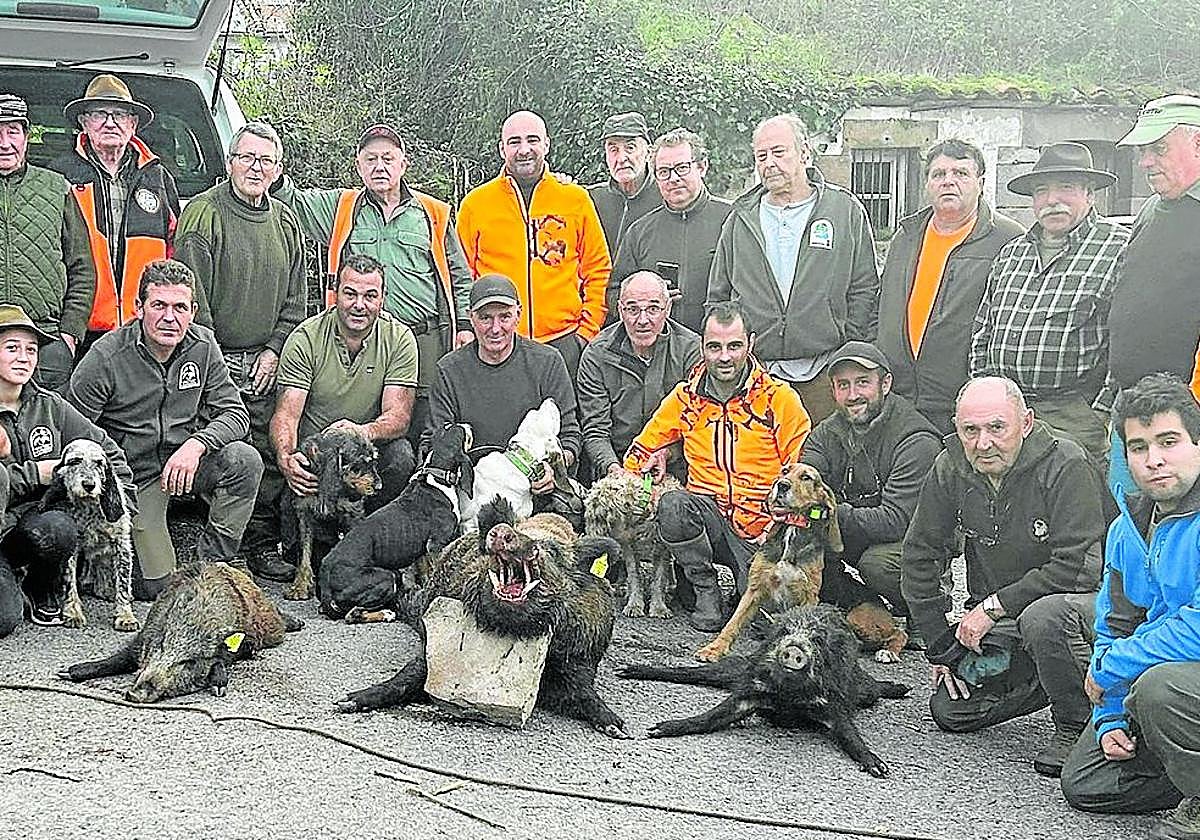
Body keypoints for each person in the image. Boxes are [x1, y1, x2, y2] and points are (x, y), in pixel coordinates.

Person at [901, 376, 1107, 778]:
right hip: (1010, 617)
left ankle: (1077, 723)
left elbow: (1076, 569)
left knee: (1044, 619)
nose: (983, 443)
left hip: (1085, 606)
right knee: (952, 710)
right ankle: (1051, 674)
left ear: (1025, 422)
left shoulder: (1067, 462)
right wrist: (943, 647)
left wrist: (992, 608)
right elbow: (920, 553)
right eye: (970, 430)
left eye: (997, 427)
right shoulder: (951, 466)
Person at [68, 260, 262, 600]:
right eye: (159, 305)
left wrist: (197, 444)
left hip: (186, 464)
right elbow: (75, 432)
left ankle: (212, 565)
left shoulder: (203, 346)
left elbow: (235, 413)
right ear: (139, 307)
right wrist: (115, 485)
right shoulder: (105, 358)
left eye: (180, 308)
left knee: (244, 460)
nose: (170, 317)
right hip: (135, 477)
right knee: (155, 587)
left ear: (193, 312)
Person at [274, 122, 473, 452]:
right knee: (372, 428)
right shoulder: (342, 207)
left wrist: (464, 325)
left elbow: (459, 275)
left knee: (424, 426)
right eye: (371, 159)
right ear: (359, 166)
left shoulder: (433, 212)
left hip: (423, 338)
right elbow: (291, 201)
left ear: (403, 164)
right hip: (364, 339)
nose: (379, 167)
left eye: (388, 158)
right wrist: (268, 165)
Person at [1061, 373, 1200, 839]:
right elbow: (1116, 623)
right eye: (1139, 447)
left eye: (1168, 442)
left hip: (1179, 677)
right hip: (1172, 673)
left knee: (1160, 689)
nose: (1153, 459)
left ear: (1197, 443)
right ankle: (1183, 774)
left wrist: (1111, 668)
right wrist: (1110, 715)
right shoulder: (1127, 527)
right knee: (1085, 782)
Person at [173, 120, 307, 582]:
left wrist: (275, 349)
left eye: (266, 160)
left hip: (268, 357)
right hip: (212, 353)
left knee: (270, 448)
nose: (255, 167)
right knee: (228, 449)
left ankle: (261, 543)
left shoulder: (286, 221)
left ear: (278, 169)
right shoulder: (203, 215)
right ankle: (212, 548)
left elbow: (297, 297)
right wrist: (214, 359)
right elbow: (190, 299)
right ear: (230, 162)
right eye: (246, 157)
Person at [624, 302, 811, 631]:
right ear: (702, 346)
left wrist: (778, 528)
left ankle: (742, 586)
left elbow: (803, 471)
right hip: (707, 520)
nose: (724, 357)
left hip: (763, 528)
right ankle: (704, 589)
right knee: (673, 504)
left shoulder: (778, 398)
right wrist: (663, 452)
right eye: (714, 347)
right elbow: (637, 453)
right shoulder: (685, 399)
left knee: (763, 622)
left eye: (734, 346)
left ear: (750, 343)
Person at [706, 113, 879, 423]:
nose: (769, 163)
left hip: (825, 375)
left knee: (821, 453)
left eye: (778, 152)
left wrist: (847, 345)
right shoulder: (740, 219)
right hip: (758, 376)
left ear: (805, 154)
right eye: (761, 156)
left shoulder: (843, 210)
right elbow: (719, 295)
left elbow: (865, 287)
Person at [970, 142, 1128, 467]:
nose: (1052, 200)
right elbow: (983, 331)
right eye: (1041, 190)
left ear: (1089, 193)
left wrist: (1099, 411)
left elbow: (1127, 342)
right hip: (1007, 412)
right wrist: (984, 392)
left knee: (1073, 495)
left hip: (1073, 414)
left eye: (1066, 187)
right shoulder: (1012, 253)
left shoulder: (1119, 248)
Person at [271, 253, 419, 575]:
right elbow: (286, 414)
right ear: (334, 293)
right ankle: (311, 544)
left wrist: (361, 432)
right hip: (317, 461)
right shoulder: (306, 337)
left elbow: (399, 416)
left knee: (401, 455)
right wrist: (287, 458)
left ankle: (378, 543)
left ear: (383, 298)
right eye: (350, 293)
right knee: (305, 556)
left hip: (365, 457)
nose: (359, 305)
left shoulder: (399, 339)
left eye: (370, 295)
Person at [0, 304, 134, 634]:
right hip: (1, 525)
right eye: (12, 348)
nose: (23, 358)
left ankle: (42, 585)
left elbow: (108, 451)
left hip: (39, 523)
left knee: (59, 527)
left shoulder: (51, 405)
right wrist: (36, 474)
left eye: (31, 350)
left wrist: (119, 506)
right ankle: (13, 583)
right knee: (4, 620)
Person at [876, 138, 1025, 435]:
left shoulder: (1008, 240)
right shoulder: (906, 236)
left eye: (960, 173)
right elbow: (882, 306)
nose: (948, 181)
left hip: (965, 405)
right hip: (900, 398)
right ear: (927, 184)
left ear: (981, 183)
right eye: (939, 174)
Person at [799, 340, 941, 641]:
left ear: (885, 383)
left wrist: (827, 512)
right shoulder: (826, 432)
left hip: (911, 538)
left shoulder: (916, 440)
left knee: (877, 565)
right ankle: (861, 603)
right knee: (804, 542)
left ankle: (924, 607)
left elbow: (895, 520)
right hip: (855, 526)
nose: (853, 395)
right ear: (833, 390)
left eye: (863, 382)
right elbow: (806, 480)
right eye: (843, 385)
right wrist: (800, 501)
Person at [1097, 95, 1200, 497]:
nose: (1145, 162)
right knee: (1129, 518)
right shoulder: (1153, 209)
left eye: (1159, 149)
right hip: (1132, 405)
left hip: (1182, 418)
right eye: (1143, 151)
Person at [457, 110, 611, 377]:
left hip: (565, 342)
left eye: (532, 140)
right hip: (498, 342)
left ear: (547, 144)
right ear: (502, 149)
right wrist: (470, 328)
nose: (524, 149)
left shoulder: (575, 199)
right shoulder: (476, 204)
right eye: (514, 141)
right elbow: (461, 275)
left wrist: (586, 333)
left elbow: (598, 269)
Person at [50, 74, 180, 349]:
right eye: (100, 114)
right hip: (78, 331)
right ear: (84, 122)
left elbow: (174, 250)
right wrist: (65, 328)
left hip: (145, 328)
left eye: (119, 114)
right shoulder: (60, 176)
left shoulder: (158, 177)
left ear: (133, 124)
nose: (110, 122)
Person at [427, 273, 581, 470]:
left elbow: (569, 436)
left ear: (518, 315)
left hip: (533, 477)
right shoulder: (448, 371)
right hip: (472, 479)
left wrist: (553, 468)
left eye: (505, 317)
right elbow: (435, 440)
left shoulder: (548, 362)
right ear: (470, 317)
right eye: (485, 318)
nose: (495, 328)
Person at [0, 93, 95, 393]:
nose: (5, 143)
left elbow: (83, 268)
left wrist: (69, 335)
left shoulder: (57, 188)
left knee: (46, 422)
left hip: (47, 340)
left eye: (13, 131)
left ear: (27, 136)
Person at [577, 270, 700, 482]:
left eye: (653, 309)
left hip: (677, 463)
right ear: (620, 310)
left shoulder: (691, 350)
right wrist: (614, 470)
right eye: (632, 309)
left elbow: (700, 425)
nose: (642, 320)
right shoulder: (597, 355)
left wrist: (668, 453)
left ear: (668, 309)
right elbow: (595, 430)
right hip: (616, 463)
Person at [611, 128, 733, 333]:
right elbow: (614, 291)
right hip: (658, 345)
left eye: (682, 168)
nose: (673, 178)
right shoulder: (640, 232)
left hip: (718, 343)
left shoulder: (731, 220)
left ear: (702, 167)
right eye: (664, 172)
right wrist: (646, 298)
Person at [587, 112, 660, 269]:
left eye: (630, 148)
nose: (621, 158)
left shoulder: (666, 199)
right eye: (613, 149)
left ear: (648, 152)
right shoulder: (590, 199)